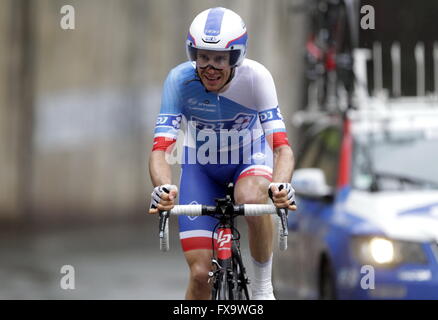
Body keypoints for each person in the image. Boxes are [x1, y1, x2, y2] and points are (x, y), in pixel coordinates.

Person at [148, 7, 296, 300]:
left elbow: (281, 148)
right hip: (201, 169)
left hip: (248, 161)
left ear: (236, 57)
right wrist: (163, 187)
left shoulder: (256, 78)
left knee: (251, 197)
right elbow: (160, 151)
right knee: (201, 275)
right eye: (203, 57)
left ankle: (263, 287)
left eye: (219, 59)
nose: (210, 67)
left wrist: (280, 186)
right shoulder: (179, 81)